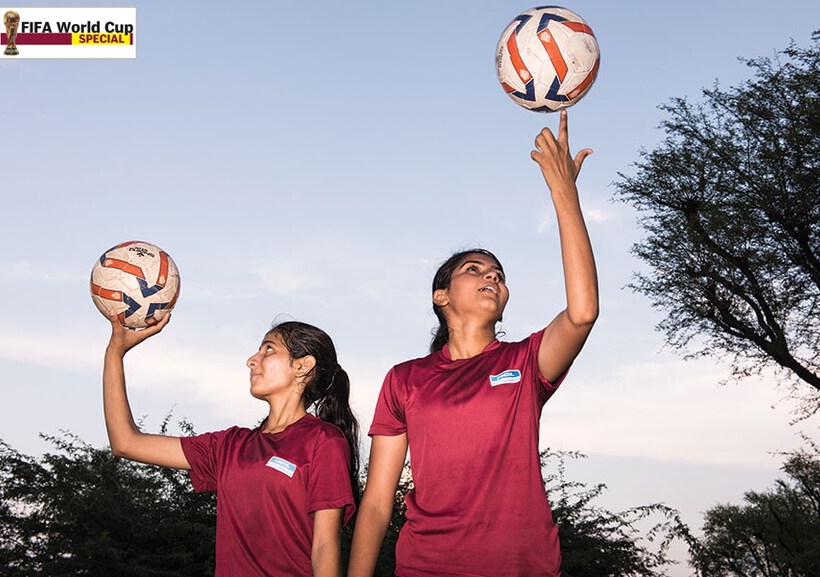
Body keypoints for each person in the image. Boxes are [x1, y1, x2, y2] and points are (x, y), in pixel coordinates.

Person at [347, 109, 598, 577]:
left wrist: (564, 192)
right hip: (425, 566)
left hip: (522, 567)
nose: (492, 277)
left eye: (498, 275)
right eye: (475, 270)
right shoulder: (406, 380)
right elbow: (379, 501)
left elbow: (582, 313)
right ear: (440, 296)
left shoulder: (525, 361)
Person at [102, 314, 360, 577]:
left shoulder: (324, 441)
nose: (251, 361)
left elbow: (325, 546)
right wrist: (115, 352)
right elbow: (125, 442)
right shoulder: (229, 446)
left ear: (302, 366)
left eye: (268, 349)